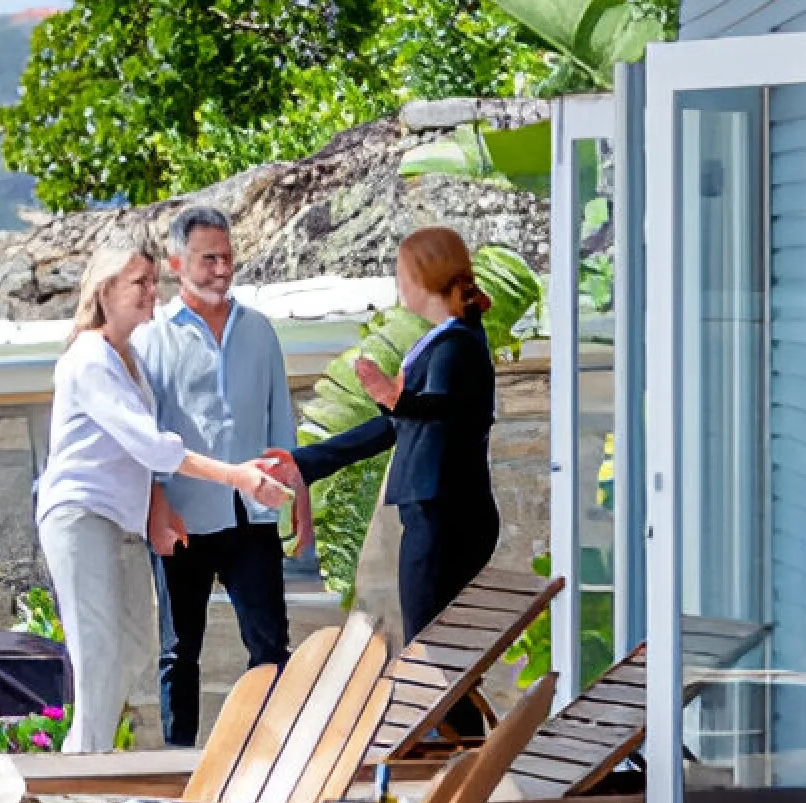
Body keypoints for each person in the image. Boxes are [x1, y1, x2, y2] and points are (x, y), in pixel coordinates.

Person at [36, 242, 291, 754]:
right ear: (105, 289)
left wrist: (159, 507)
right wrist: (237, 477)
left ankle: (88, 761)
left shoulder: (126, 358)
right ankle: (84, 774)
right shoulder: (89, 359)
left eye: (155, 280)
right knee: (98, 653)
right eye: (139, 281)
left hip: (118, 522)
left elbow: (143, 452)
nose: (153, 291)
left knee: (131, 648)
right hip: (80, 517)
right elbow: (152, 446)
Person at [261, 227, 500, 641]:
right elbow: (396, 426)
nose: (398, 284)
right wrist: (305, 462)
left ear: (424, 278)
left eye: (402, 273)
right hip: (434, 516)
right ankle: (447, 709)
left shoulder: (457, 344)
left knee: (430, 652)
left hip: (447, 518)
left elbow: (445, 412)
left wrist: (395, 398)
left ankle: (443, 710)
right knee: (431, 649)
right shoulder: (442, 341)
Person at [135, 207, 298, 746]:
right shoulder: (152, 340)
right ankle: (177, 768)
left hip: (251, 518)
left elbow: (282, 427)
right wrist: (157, 508)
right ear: (178, 263)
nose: (222, 269)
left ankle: (269, 759)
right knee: (180, 652)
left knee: (271, 646)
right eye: (209, 259)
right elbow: (146, 437)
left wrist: (299, 508)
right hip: (184, 517)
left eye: (227, 257)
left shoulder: (260, 332)